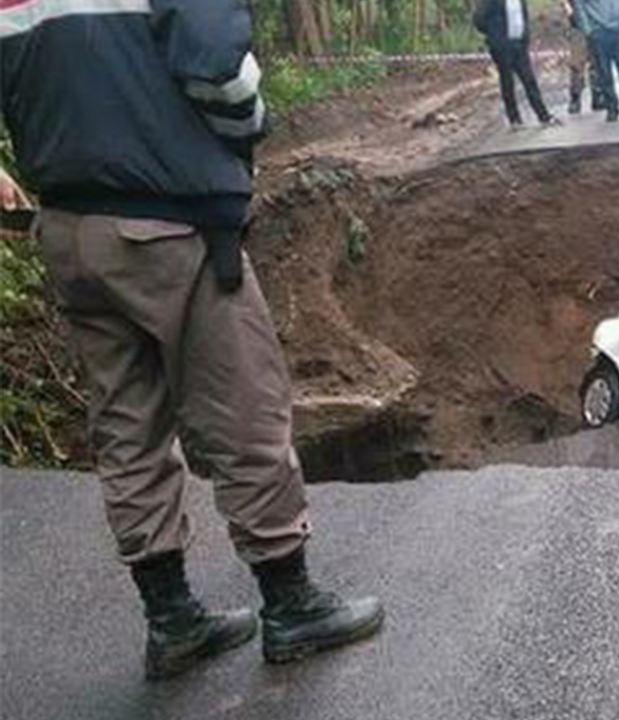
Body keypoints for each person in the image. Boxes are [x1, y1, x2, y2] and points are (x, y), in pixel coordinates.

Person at [0, 0, 383, 680]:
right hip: (168, 223)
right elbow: (219, 70)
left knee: (126, 426)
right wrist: (249, 129)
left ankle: (173, 621)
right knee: (244, 406)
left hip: (68, 229)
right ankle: (291, 604)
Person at [475, 0, 560, 128]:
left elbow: (523, 16)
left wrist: (525, 35)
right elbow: (478, 19)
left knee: (529, 79)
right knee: (507, 81)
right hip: (502, 45)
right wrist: (494, 33)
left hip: (519, 44)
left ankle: (544, 116)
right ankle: (514, 119)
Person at [563, 0, 602, 114]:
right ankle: (575, 98)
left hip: (595, 23)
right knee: (577, 65)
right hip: (577, 28)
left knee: (596, 63)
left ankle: (597, 96)